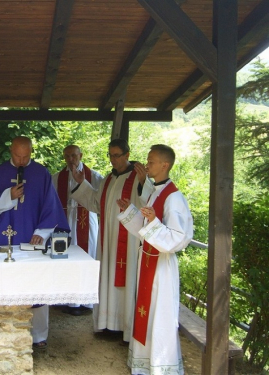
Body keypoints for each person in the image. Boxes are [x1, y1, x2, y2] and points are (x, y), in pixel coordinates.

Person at [0, 136, 70, 349]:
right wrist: (7, 195)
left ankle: (37, 335)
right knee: (3, 280)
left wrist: (43, 232)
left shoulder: (41, 173)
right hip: (3, 235)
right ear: (10, 151)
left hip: (31, 236)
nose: (21, 161)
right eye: (17, 156)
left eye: (25, 156)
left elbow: (51, 206)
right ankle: (2, 328)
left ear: (31, 152)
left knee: (35, 282)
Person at [116, 144, 193, 375]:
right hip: (148, 259)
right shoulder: (155, 191)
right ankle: (144, 363)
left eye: (150, 161)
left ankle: (161, 366)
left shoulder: (174, 197)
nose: (146, 165)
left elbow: (180, 238)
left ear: (164, 165)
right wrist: (131, 211)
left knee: (159, 314)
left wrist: (154, 223)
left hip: (161, 267)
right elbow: (146, 226)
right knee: (146, 311)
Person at [71, 138, 148, 341]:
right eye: (110, 155)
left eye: (116, 155)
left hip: (128, 241)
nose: (113, 159)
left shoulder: (137, 177)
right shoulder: (108, 179)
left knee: (126, 279)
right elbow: (96, 204)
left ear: (127, 155)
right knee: (106, 277)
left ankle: (125, 329)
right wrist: (82, 184)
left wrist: (143, 184)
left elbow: (148, 202)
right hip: (108, 241)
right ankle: (107, 324)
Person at [52, 145, 104, 316]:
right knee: (64, 258)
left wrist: (84, 182)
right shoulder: (57, 178)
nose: (71, 159)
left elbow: (100, 199)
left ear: (81, 155)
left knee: (85, 258)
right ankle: (65, 298)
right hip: (65, 220)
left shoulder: (95, 177)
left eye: (74, 155)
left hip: (86, 220)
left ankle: (84, 301)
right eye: (67, 156)